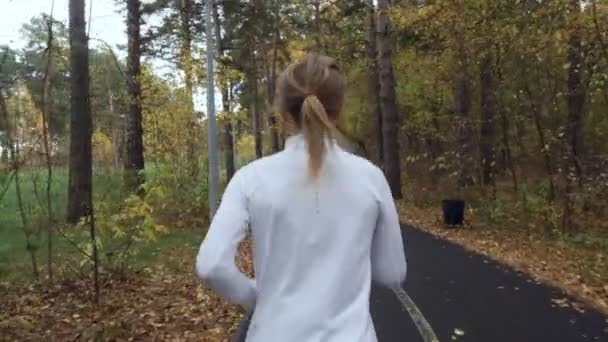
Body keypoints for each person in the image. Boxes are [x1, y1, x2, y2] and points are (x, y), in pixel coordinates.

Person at [196, 54, 407, 342]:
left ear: (283, 115)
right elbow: (392, 273)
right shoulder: (370, 178)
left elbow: (212, 265)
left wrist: (256, 295)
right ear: (338, 110)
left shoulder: (251, 178)